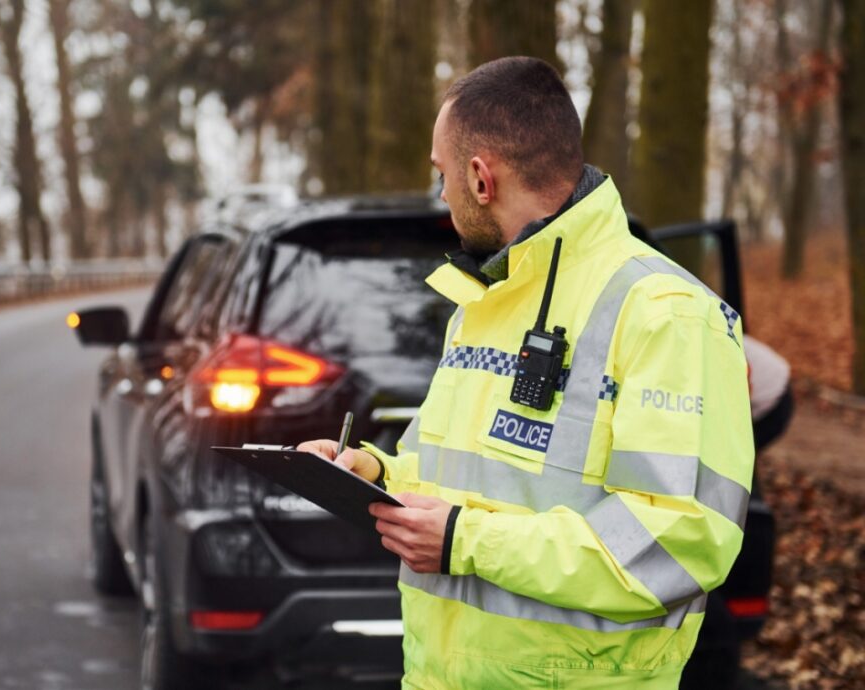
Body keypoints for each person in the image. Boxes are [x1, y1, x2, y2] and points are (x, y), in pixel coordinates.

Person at [298, 57, 753, 689]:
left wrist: (463, 541)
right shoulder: (483, 301)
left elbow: (678, 543)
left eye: (442, 175)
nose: (442, 195)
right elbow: (462, 478)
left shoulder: (669, 315)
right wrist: (372, 471)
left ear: (481, 178)